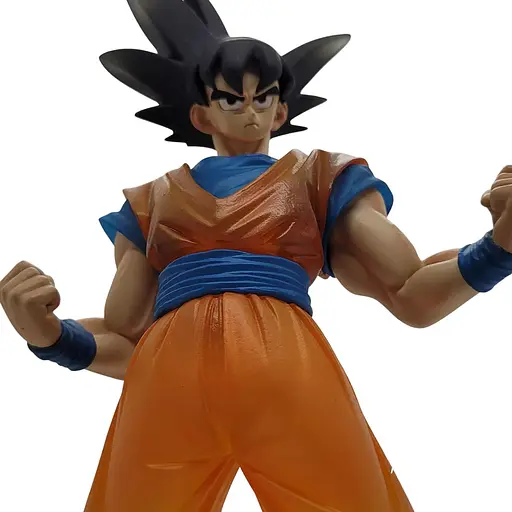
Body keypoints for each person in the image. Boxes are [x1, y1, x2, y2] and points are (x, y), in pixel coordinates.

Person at [1, 0, 511, 510]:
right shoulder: (150, 203)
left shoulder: (319, 179)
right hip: (169, 386)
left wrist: (498, 249)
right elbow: (125, 338)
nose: (249, 111)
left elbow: (409, 290)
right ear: (201, 113)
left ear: (280, 110)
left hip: (286, 371)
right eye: (230, 99)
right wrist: (50, 335)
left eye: (263, 97)